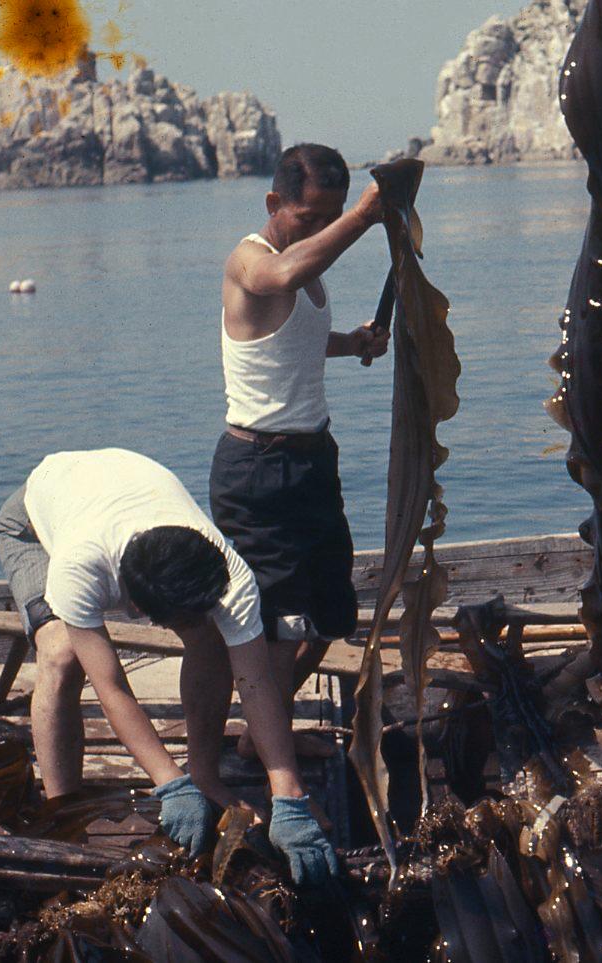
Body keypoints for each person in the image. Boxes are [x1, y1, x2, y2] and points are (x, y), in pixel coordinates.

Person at [0, 448, 339, 884]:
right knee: (62, 657)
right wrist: (167, 783)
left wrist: (288, 795)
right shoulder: (79, 568)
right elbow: (112, 687)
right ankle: (63, 818)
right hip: (33, 522)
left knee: (211, 636)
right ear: (139, 608)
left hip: (116, 493)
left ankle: (204, 775)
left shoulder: (226, 572)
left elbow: (257, 683)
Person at [209, 143, 387, 757]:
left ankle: (264, 733)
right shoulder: (249, 263)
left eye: (331, 215)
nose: (322, 229)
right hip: (258, 469)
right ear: (273, 203)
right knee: (283, 628)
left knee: (333, 616)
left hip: (311, 463)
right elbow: (281, 278)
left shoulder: (306, 268)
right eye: (309, 219)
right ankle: (266, 755)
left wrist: (352, 341)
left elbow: (290, 344)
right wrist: (362, 218)